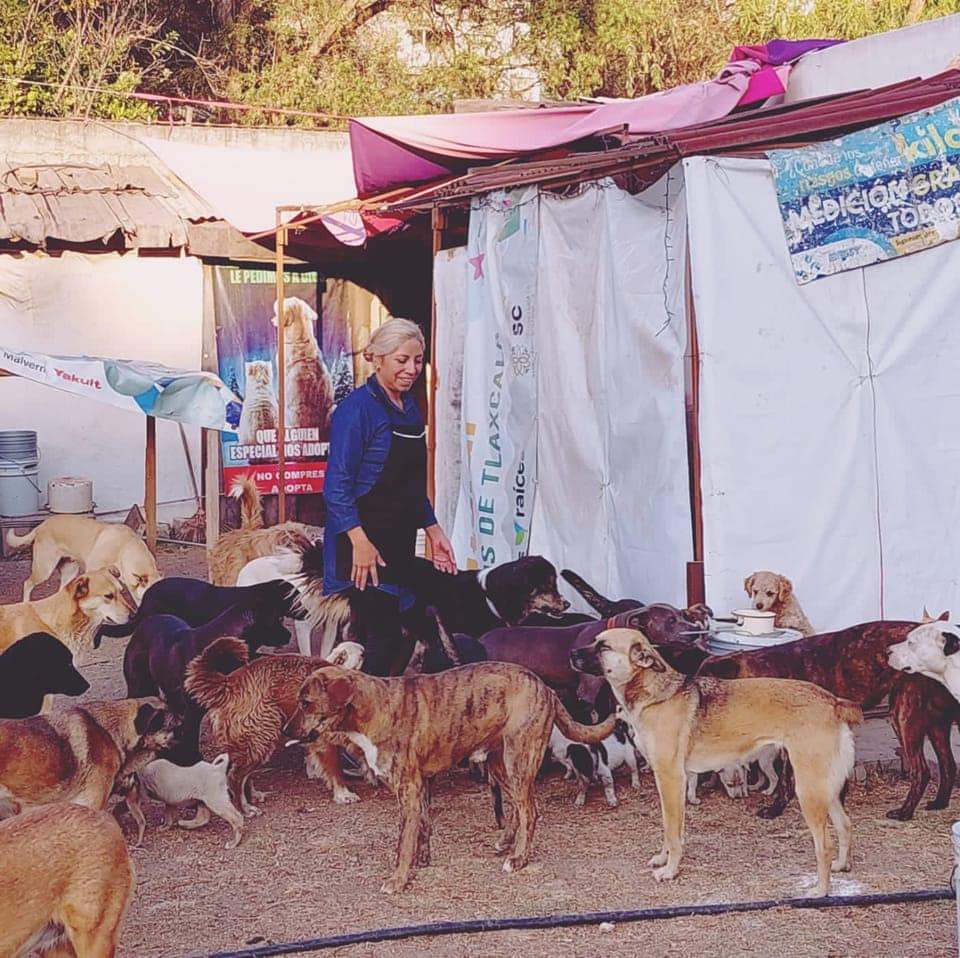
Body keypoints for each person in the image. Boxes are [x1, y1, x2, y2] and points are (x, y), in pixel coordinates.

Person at [323, 318, 456, 674]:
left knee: (413, 630)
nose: (412, 369)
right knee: (384, 640)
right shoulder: (356, 410)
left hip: (397, 542)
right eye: (402, 360)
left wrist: (433, 528)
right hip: (360, 547)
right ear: (378, 359)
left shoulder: (409, 408)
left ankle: (388, 702)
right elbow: (336, 486)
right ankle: (354, 705)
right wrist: (359, 542)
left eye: (418, 361)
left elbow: (410, 484)